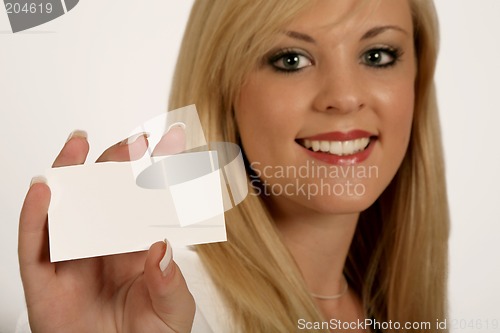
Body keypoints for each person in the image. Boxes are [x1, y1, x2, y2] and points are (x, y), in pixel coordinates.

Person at [18, 0, 449, 332]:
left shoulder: (393, 309)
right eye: (291, 59)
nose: (344, 96)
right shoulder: (155, 305)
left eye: (377, 55)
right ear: (226, 93)